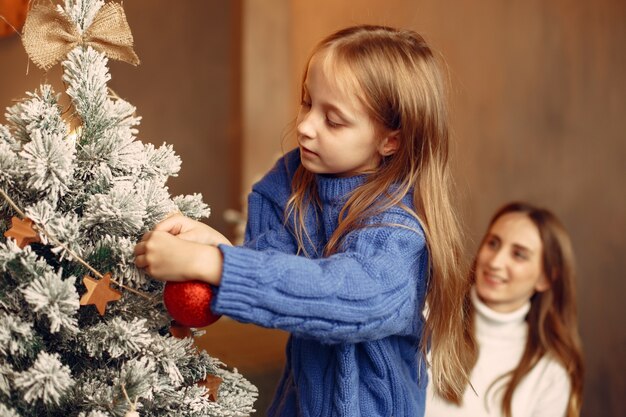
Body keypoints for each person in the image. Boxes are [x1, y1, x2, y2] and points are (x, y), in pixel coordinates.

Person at [134, 25, 473, 417]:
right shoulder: (290, 182)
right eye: (307, 102)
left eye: (334, 120)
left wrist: (212, 264)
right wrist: (217, 247)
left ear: (390, 140)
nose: (306, 126)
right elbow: (278, 276)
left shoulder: (398, 228)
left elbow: (340, 295)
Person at [425, 201, 584, 417]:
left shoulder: (549, 375)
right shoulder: (428, 316)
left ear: (546, 278)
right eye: (493, 243)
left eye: (519, 254)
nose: (496, 262)